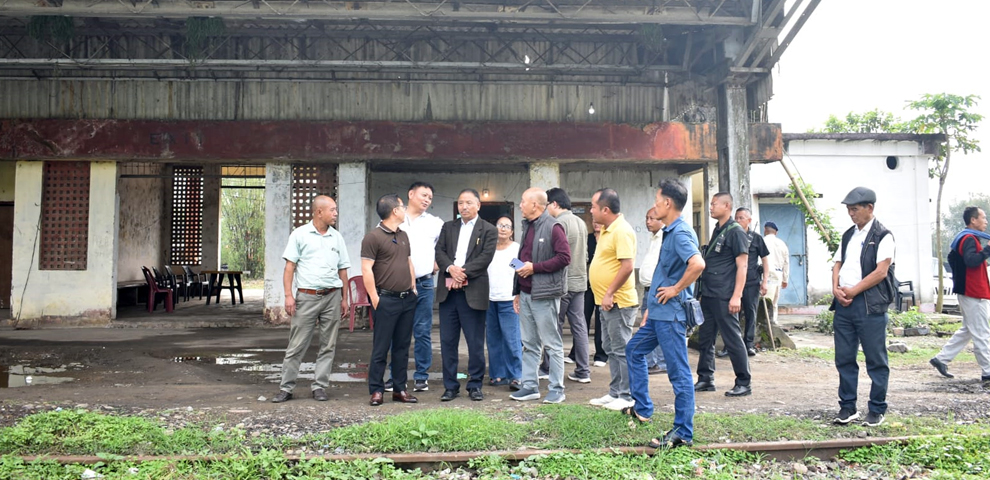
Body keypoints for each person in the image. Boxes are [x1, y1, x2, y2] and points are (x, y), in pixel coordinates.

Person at [626, 178, 705, 449]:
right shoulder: (671, 230)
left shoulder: (680, 233)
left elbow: (697, 264)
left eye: (658, 201)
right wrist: (651, 307)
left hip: (671, 316)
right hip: (658, 314)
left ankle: (683, 432)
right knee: (634, 350)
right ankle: (643, 409)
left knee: (678, 373)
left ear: (668, 204)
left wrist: (675, 289)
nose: (654, 205)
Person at [272, 195, 350, 403]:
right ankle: (286, 388)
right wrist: (289, 296)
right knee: (297, 345)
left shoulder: (337, 237)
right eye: (332, 210)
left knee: (328, 345)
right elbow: (290, 267)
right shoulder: (300, 235)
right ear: (318, 212)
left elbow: (343, 270)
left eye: (336, 209)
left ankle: (319, 386)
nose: (335, 213)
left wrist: (344, 299)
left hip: (332, 296)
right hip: (306, 297)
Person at [831, 186, 895, 427]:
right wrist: (836, 289)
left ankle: (877, 408)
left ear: (870, 208)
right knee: (844, 357)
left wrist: (854, 291)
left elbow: (881, 271)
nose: (851, 213)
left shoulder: (883, 235)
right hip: (844, 305)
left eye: (855, 209)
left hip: (870, 306)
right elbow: (837, 264)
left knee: (875, 359)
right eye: (848, 209)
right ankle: (847, 407)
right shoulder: (849, 235)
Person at [435, 189, 498, 402]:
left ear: (478, 205)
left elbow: (485, 258)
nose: (464, 207)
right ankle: (450, 386)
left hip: (473, 292)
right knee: (447, 341)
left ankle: (475, 385)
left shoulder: (488, 230)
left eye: (469, 203)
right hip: (449, 294)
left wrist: (461, 273)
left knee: (475, 342)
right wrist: (451, 268)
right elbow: (439, 252)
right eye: (461, 203)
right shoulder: (448, 227)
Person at [510, 188, 572, 404]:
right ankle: (529, 386)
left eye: (522, 201)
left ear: (535, 205)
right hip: (526, 293)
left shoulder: (554, 227)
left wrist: (535, 268)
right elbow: (522, 260)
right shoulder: (527, 226)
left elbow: (565, 257)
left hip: (544, 295)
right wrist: (516, 292)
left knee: (552, 344)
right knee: (529, 343)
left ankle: (557, 388)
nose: (520, 205)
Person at [384, 181, 444, 393]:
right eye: (423, 195)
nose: (427, 199)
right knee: (397, 332)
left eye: (430, 197)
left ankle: (421, 376)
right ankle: (395, 376)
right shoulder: (395, 218)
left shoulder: (435, 223)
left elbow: (445, 246)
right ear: (410, 194)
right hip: (397, 285)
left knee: (422, 331)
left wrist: (437, 263)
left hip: (425, 283)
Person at [361, 194, 419, 406]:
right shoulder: (373, 237)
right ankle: (377, 390)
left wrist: (413, 288)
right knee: (381, 347)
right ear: (394, 211)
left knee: (402, 347)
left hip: (407, 300)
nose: (404, 210)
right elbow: (366, 269)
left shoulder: (403, 235)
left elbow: (408, 262)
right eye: (402, 206)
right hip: (385, 300)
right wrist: (375, 299)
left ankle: (399, 389)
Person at [695, 192, 752, 397]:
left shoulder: (736, 232)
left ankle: (744, 382)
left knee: (732, 338)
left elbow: (742, 265)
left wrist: (737, 296)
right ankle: (705, 378)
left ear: (726, 206)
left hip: (725, 295)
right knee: (705, 338)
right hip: (710, 293)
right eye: (710, 204)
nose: (710, 207)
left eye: (714, 204)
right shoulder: (719, 229)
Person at [587, 188, 638, 411]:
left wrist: (609, 293)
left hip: (618, 301)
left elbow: (627, 266)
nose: (591, 211)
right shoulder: (608, 230)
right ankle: (615, 391)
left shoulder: (622, 231)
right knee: (609, 347)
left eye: (593, 207)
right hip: (605, 301)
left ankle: (626, 396)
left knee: (621, 349)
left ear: (605, 209)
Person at [930, 206, 990, 386]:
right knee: (981, 332)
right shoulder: (969, 239)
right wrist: (987, 250)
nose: (986, 221)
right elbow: (971, 261)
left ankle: (942, 358)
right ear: (973, 220)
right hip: (973, 291)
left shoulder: (962, 238)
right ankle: (988, 371)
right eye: (983, 218)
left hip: (969, 291)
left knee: (969, 329)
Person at [541, 187, 591, 384]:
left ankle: (548, 368)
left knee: (554, 326)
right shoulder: (580, 222)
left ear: (554, 204)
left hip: (562, 284)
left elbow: (554, 255)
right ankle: (583, 370)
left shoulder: (557, 223)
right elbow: (585, 254)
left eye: (547, 205)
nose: (546, 210)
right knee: (579, 326)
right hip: (580, 281)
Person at [486, 216, 523, 389]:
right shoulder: (488, 249)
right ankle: (497, 374)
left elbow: (520, 271)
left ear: (512, 232)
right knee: (493, 339)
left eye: (507, 226)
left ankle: (516, 375)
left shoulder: (515, 250)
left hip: (509, 300)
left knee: (511, 339)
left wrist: (519, 295)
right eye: (500, 225)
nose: (503, 228)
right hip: (489, 299)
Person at [734, 207, 769, 357]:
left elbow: (765, 259)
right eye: (736, 218)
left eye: (741, 218)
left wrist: (765, 281)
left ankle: (749, 344)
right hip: (733, 283)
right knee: (733, 314)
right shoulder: (732, 236)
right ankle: (732, 345)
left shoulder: (756, 238)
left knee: (751, 313)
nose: (738, 221)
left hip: (752, 282)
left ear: (749, 220)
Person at [639, 207, 667, 374]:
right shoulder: (654, 237)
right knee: (651, 325)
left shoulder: (665, 237)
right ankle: (655, 362)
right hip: (649, 288)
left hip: (657, 289)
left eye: (652, 218)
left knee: (651, 326)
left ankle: (657, 363)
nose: (648, 222)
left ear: (662, 220)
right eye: (646, 218)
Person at [577, 221, 609, 368]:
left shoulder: (608, 238)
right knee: (582, 317)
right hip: (587, 285)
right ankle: (574, 353)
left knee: (600, 320)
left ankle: (601, 354)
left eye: (599, 222)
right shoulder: (587, 238)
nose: (596, 224)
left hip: (603, 285)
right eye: (594, 222)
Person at [763, 221, 790, 325]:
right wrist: (785, 279)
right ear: (776, 232)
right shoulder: (782, 243)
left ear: (765, 230)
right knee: (774, 302)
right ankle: (773, 322)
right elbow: (786, 262)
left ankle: (765, 323)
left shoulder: (762, 241)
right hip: (778, 275)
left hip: (765, 274)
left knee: (764, 301)